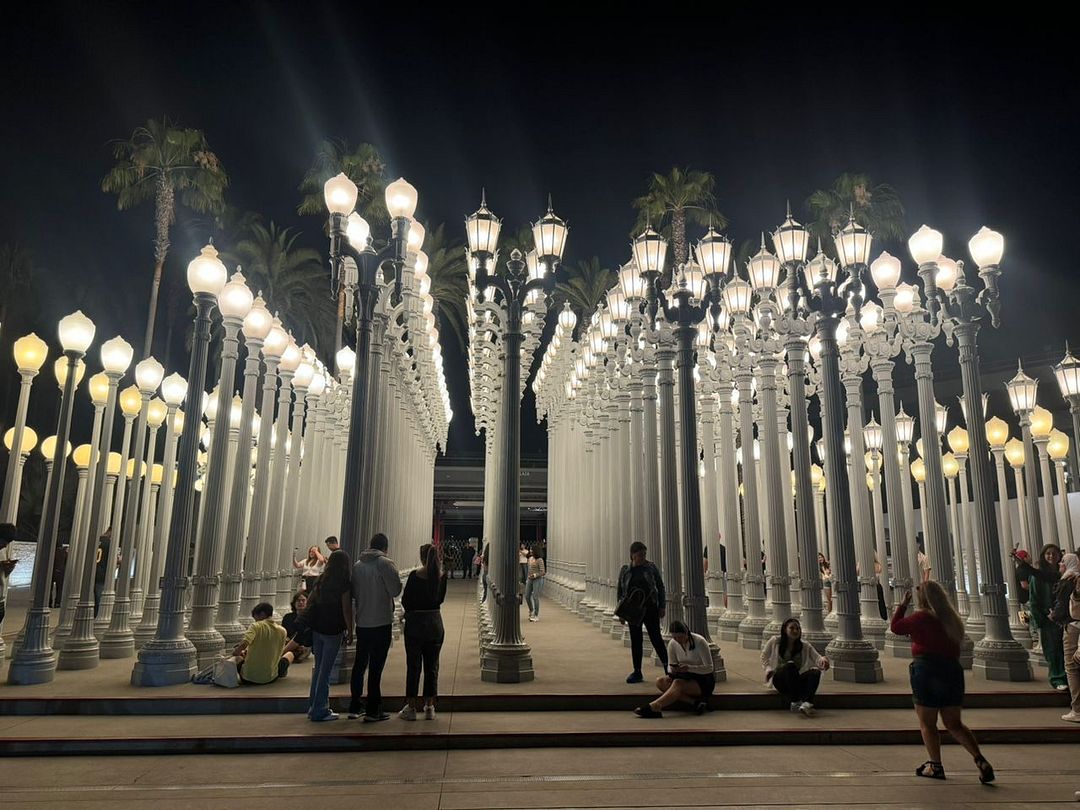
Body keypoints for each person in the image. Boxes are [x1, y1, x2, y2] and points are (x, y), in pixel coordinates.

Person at [890, 581, 995, 784]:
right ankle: (979, 759)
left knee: (928, 723)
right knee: (954, 723)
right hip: (952, 671)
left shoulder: (920, 618)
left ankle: (935, 765)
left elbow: (896, 627)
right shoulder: (952, 619)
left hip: (927, 670)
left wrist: (902, 605)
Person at [349, 533, 402, 722]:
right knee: (376, 667)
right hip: (381, 620)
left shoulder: (357, 565)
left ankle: (355, 704)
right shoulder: (385, 564)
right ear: (385, 548)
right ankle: (373, 709)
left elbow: (354, 593)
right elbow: (395, 590)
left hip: (363, 621)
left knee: (360, 664)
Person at [305, 549, 353, 722]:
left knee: (319, 668)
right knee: (325, 671)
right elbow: (347, 609)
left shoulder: (321, 580)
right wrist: (350, 630)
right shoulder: (343, 583)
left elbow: (309, 601)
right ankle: (320, 709)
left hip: (318, 628)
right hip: (333, 629)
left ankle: (313, 706)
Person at [400, 543, 448, 720]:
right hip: (435, 623)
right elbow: (440, 600)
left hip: (415, 624)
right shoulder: (441, 576)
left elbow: (406, 600)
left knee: (413, 666)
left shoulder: (415, 575)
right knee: (432, 666)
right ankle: (429, 706)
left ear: (421, 557)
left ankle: (411, 707)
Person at [1014, 544, 1067, 690]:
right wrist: (1042, 618)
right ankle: (1057, 678)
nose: (1051, 556)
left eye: (1054, 553)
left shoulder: (1062, 572)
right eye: (1048, 553)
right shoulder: (1037, 575)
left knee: (1066, 649)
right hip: (1048, 617)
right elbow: (1034, 597)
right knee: (1053, 649)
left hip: (1064, 617)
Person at [634, 621, 713, 718]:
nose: (678, 640)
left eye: (680, 637)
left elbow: (709, 668)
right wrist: (673, 671)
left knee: (677, 683)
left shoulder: (700, 641)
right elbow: (670, 665)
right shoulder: (673, 643)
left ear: (686, 633)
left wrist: (689, 668)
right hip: (683, 676)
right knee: (661, 681)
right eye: (675, 637)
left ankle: (656, 706)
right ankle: (695, 703)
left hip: (702, 680)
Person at [617, 541, 669, 683]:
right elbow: (621, 591)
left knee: (656, 638)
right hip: (633, 610)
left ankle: (668, 668)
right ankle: (637, 671)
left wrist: (662, 606)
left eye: (644, 554)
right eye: (640, 555)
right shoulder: (625, 570)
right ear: (632, 555)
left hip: (650, 608)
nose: (643, 557)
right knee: (636, 640)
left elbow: (660, 587)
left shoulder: (651, 568)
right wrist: (621, 613)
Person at [761, 618, 830, 716]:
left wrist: (823, 660)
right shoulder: (775, 641)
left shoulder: (805, 645)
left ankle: (807, 703)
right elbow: (764, 656)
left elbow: (818, 658)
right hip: (780, 680)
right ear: (785, 629)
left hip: (796, 679)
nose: (795, 631)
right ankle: (795, 701)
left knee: (815, 672)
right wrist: (768, 669)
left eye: (797, 628)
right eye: (792, 628)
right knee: (790, 665)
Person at [1049, 552, 1080, 722]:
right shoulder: (1077, 578)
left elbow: (1062, 607)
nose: (1059, 565)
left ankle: (1077, 709)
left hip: (1073, 626)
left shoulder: (1067, 581)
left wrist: (1053, 616)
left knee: (1071, 667)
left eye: (1062, 562)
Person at [229, 602, 288, 686]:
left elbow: (244, 643)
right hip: (271, 678)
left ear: (262, 614)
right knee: (289, 655)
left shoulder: (256, 626)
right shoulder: (283, 631)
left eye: (255, 618)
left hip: (249, 678)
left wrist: (236, 652)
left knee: (237, 658)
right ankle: (282, 672)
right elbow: (279, 652)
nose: (255, 621)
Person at [281, 591, 312, 663]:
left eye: (303, 600)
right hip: (288, 642)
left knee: (301, 651)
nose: (301, 602)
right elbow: (284, 632)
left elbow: (307, 636)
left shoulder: (310, 618)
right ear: (294, 603)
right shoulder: (287, 617)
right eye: (298, 600)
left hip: (304, 645)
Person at [525, 547, 546, 622]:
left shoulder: (540, 560)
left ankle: (536, 615)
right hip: (530, 579)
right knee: (527, 595)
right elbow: (529, 569)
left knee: (535, 596)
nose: (530, 551)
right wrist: (527, 578)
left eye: (532, 550)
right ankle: (531, 610)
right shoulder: (530, 559)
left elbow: (543, 571)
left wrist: (535, 575)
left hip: (537, 579)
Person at [93, 531, 111, 617]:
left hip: (92, 571)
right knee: (99, 595)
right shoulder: (109, 543)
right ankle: (98, 614)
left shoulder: (96, 540)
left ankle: (93, 613)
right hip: (102, 572)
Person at [51, 543, 69, 608]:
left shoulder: (52, 552)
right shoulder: (64, 553)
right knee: (60, 589)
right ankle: (57, 603)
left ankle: (49, 602)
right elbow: (66, 562)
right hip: (61, 572)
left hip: (52, 572)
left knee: (50, 588)